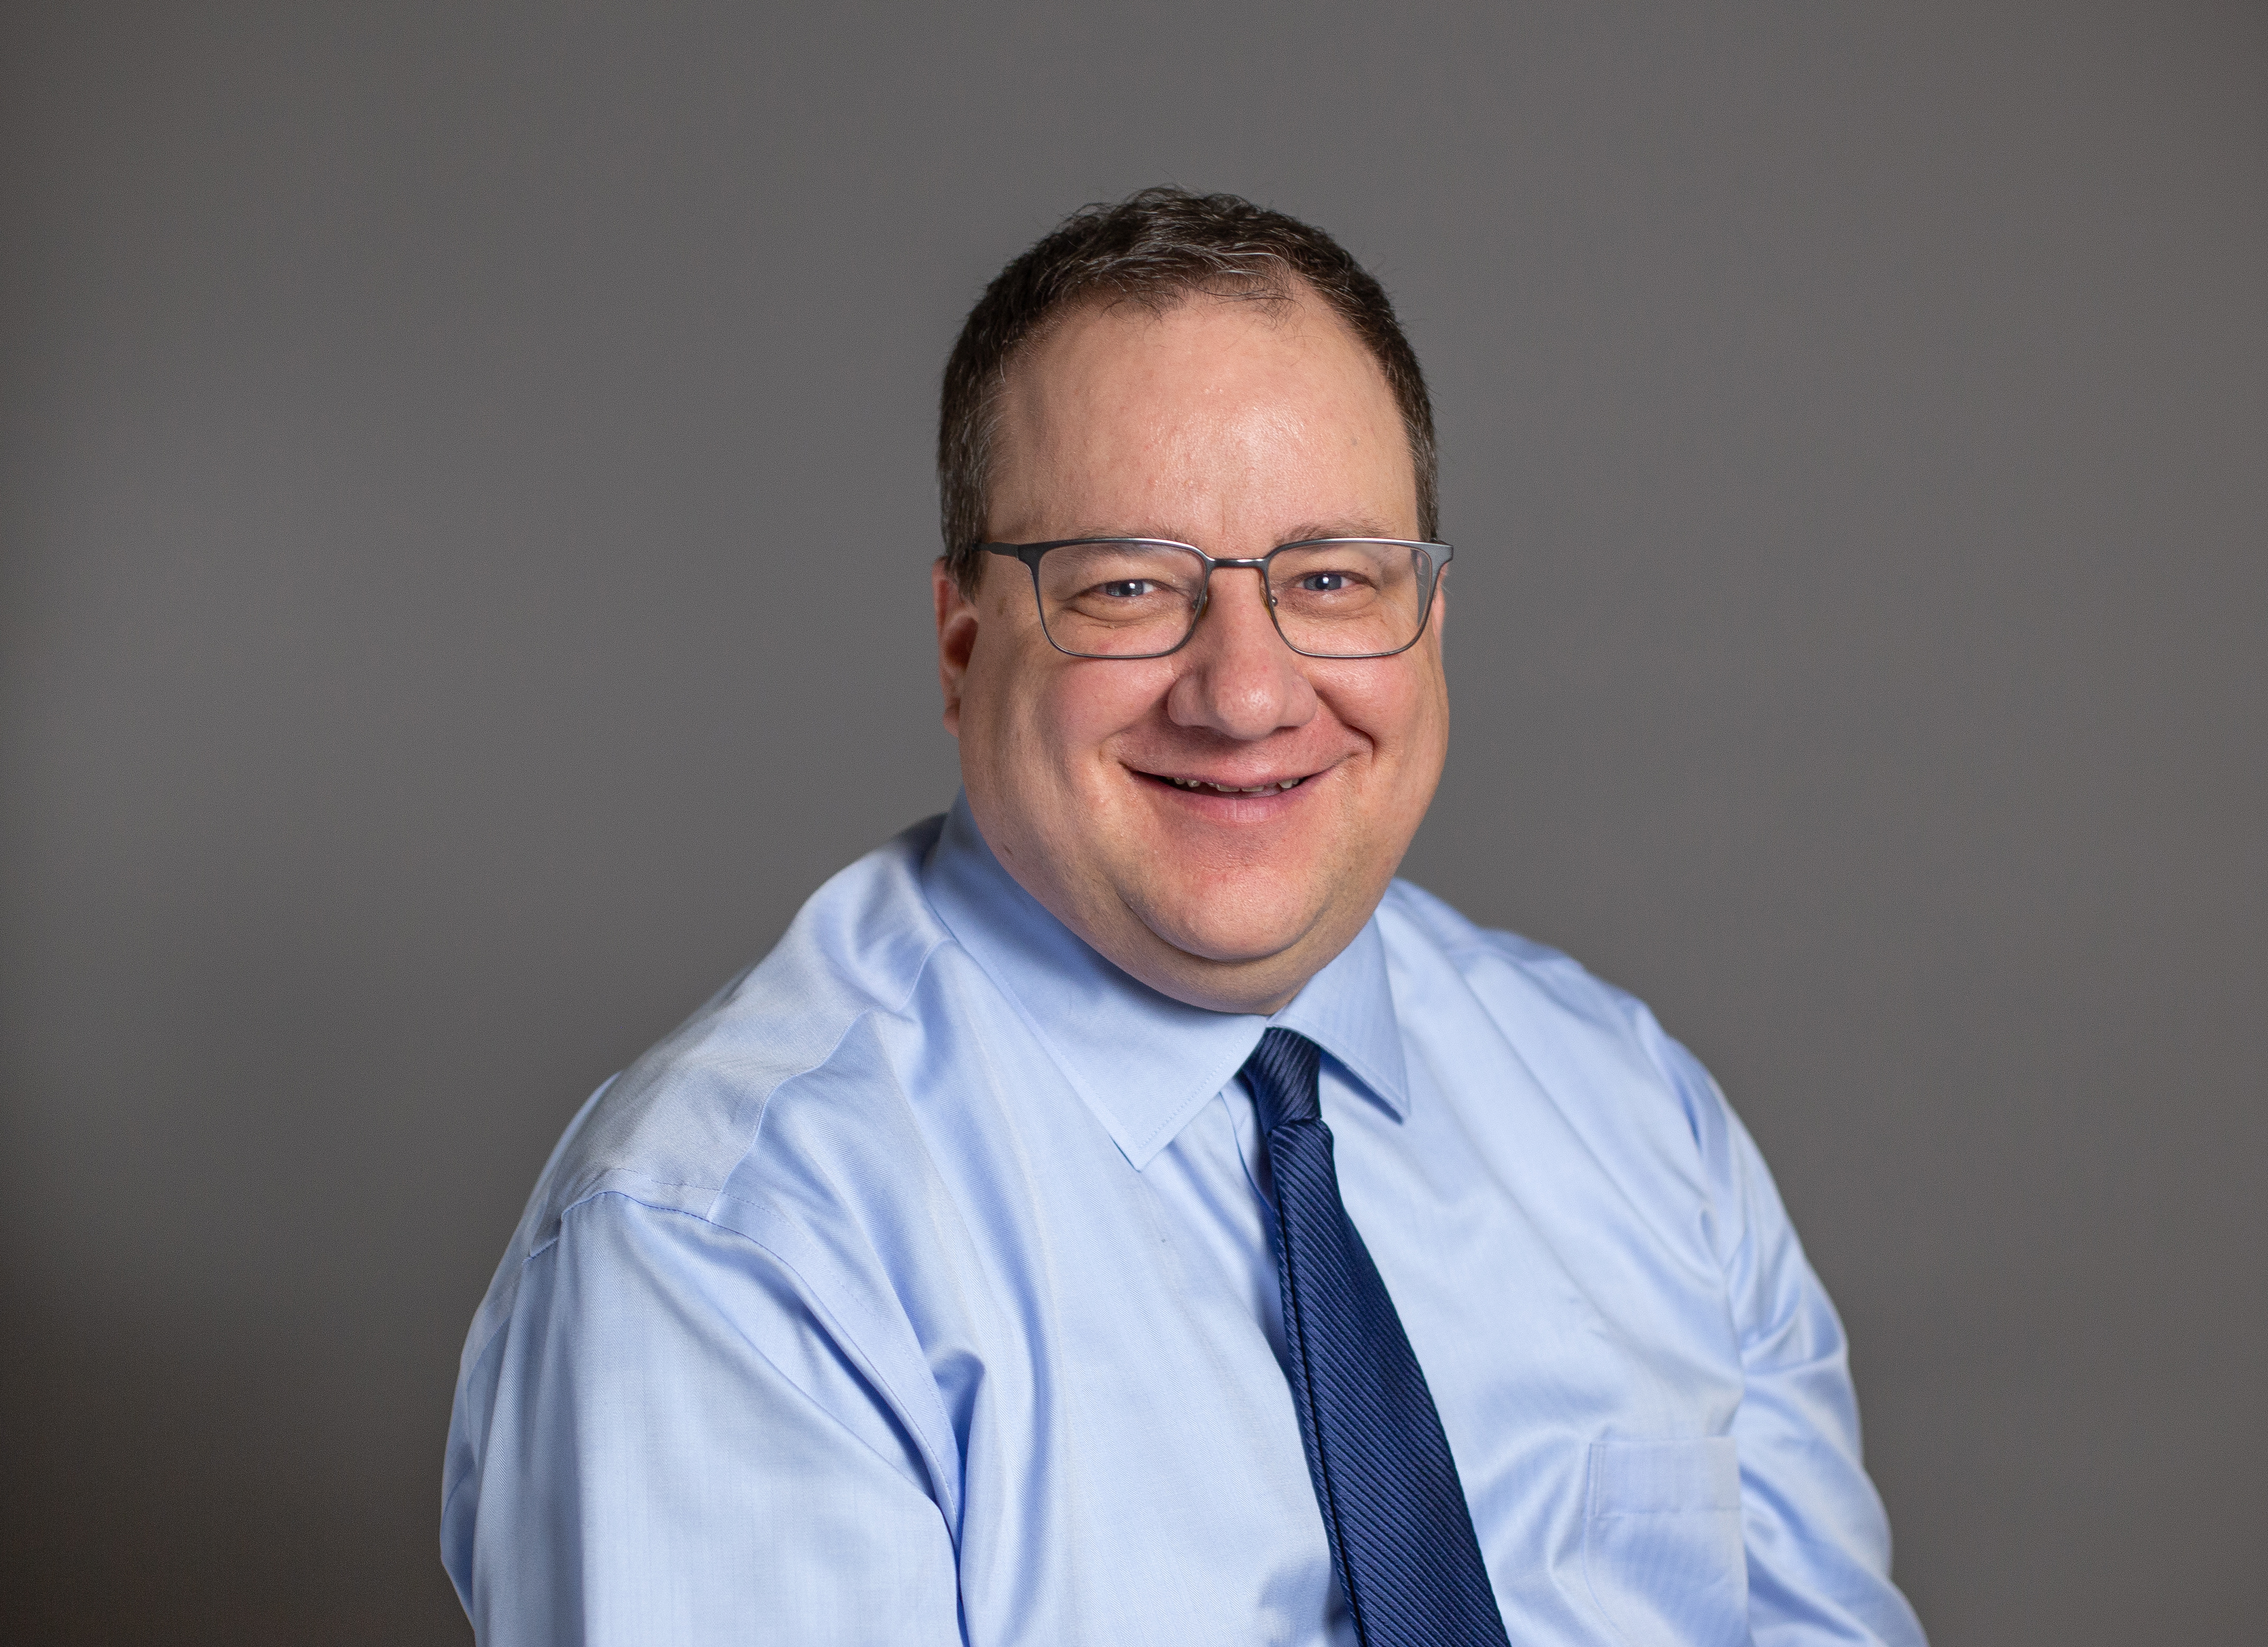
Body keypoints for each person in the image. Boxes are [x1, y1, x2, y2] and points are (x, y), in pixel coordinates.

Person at [441, 187, 1927, 1647]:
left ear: (1428, 622)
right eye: (1130, 586)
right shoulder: (737, 1246)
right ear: (964, 646)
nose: (1248, 692)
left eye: (1333, 579)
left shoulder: (1635, 1113)